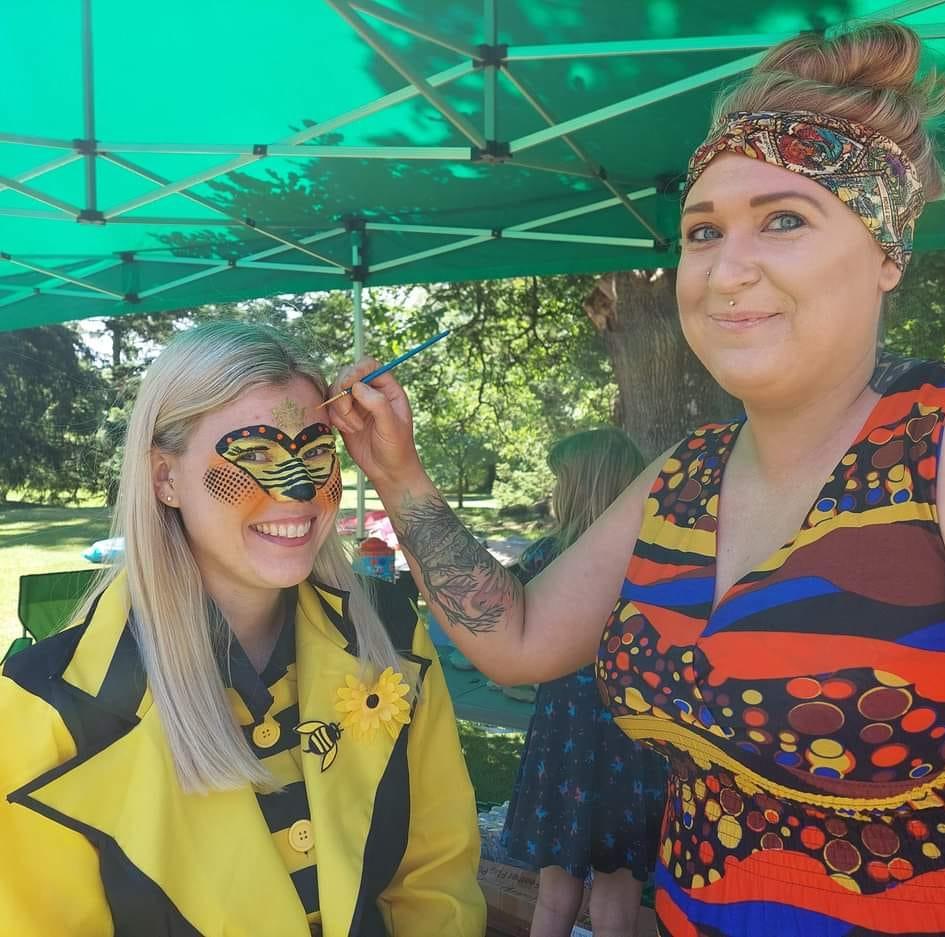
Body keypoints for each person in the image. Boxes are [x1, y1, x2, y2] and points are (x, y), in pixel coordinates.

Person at [329, 22, 945, 936]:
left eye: (784, 220)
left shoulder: (928, 450)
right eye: (702, 232)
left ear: (887, 253)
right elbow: (520, 637)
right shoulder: (683, 475)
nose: (726, 270)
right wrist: (397, 471)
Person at [0, 322, 485, 937]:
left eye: (316, 452)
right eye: (255, 453)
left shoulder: (386, 635)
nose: (303, 489)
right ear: (164, 479)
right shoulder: (48, 708)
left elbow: (435, 880)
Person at [502, 428, 666, 937]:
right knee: (618, 896)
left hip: (564, 739)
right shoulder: (655, 559)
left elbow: (514, 637)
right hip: (633, 740)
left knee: (555, 897)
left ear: (579, 487)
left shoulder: (547, 559)